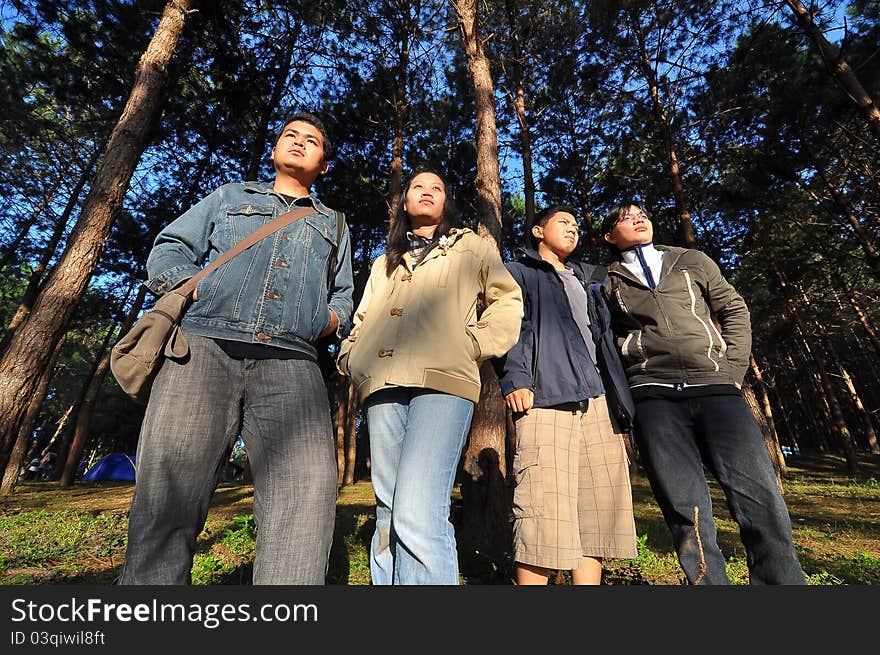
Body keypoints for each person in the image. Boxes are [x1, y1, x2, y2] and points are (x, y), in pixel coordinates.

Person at [119, 112, 353, 585]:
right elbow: (170, 245)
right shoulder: (229, 196)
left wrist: (324, 321)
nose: (299, 142)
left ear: (324, 165)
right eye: (290, 135)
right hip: (201, 350)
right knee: (168, 497)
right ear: (274, 149)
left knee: (304, 498)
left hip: (293, 363)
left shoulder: (335, 224)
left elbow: (343, 296)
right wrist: (190, 287)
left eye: (312, 141)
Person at [600, 201, 805, 585]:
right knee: (685, 510)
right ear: (610, 236)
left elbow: (734, 309)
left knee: (761, 499)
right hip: (654, 398)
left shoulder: (691, 260)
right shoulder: (604, 280)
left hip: (717, 391)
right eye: (625, 218)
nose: (638, 218)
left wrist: (731, 373)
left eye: (642, 212)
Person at [336, 167, 523, 585]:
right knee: (387, 509)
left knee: (419, 507)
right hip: (382, 383)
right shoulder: (385, 262)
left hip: (444, 382)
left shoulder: (471, 246)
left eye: (436, 187)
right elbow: (362, 318)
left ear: (446, 202)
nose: (426, 192)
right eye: (417, 186)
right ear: (403, 203)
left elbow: (507, 300)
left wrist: (472, 344)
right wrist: (353, 357)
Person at [495, 205, 638, 585]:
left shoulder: (590, 278)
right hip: (545, 397)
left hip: (598, 400)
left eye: (577, 226)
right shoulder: (519, 272)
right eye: (563, 223)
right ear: (538, 232)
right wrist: (516, 378)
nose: (573, 230)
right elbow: (512, 328)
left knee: (596, 513)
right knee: (542, 511)